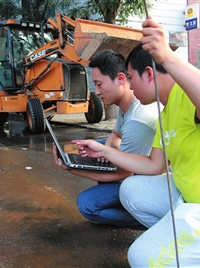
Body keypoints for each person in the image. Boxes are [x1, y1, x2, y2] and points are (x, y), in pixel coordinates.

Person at [73, 17, 200, 267]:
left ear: (149, 74)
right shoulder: (165, 113)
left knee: (141, 258)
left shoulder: (187, 96)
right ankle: (199, 249)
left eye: (131, 78)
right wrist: (102, 150)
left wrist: (167, 57)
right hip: (190, 200)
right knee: (131, 190)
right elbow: (154, 165)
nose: (130, 86)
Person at [53, 50, 158, 229]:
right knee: (100, 147)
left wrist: (72, 169)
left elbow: (123, 174)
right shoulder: (126, 105)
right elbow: (115, 136)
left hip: (148, 181)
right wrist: (104, 152)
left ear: (121, 79)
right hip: (136, 167)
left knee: (87, 204)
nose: (97, 91)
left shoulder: (137, 118)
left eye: (99, 84)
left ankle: (150, 219)